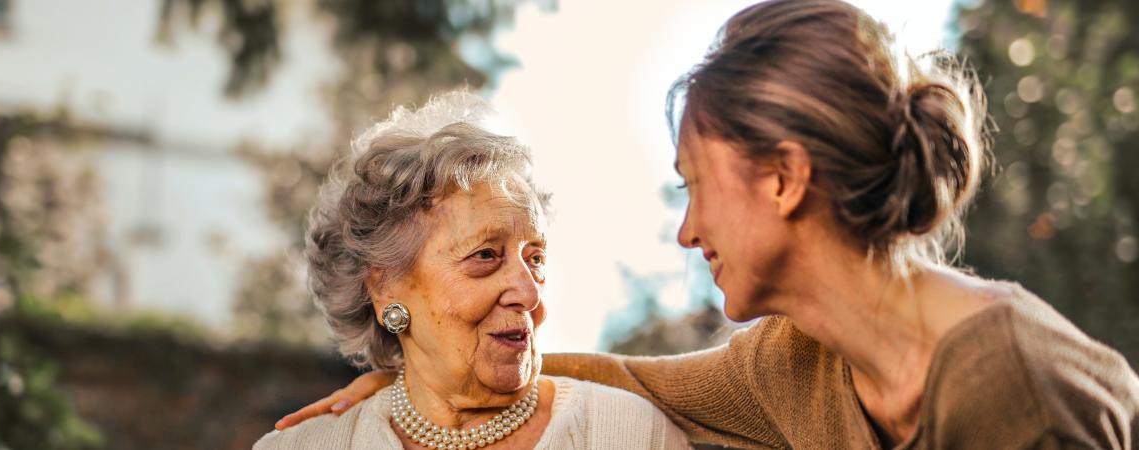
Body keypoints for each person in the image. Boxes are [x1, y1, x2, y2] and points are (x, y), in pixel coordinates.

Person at [274, 1, 1139, 448]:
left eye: (695, 185)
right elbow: (635, 380)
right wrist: (421, 374)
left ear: (785, 179)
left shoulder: (1018, 391)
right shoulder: (798, 362)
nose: (687, 232)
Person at [253, 91, 690, 449]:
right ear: (384, 287)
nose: (529, 292)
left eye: (535, 258)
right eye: (485, 256)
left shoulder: (630, 434)